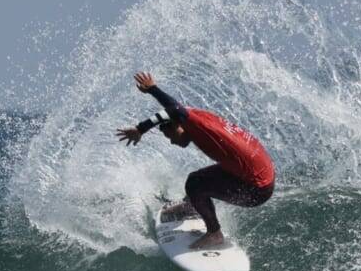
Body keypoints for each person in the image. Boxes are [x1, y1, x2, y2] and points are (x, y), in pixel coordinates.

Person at [116, 72, 275, 250]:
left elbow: (173, 110)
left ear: (178, 125)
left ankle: (214, 234)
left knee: (195, 184)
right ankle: (191, 206)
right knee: (198, 177)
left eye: (170, 136)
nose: (172, 142)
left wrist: (140, 128)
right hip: (259, 172)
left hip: (256, 190)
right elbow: (172, 108)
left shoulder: (196, 124)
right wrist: (153, 91)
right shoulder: (195, 115)